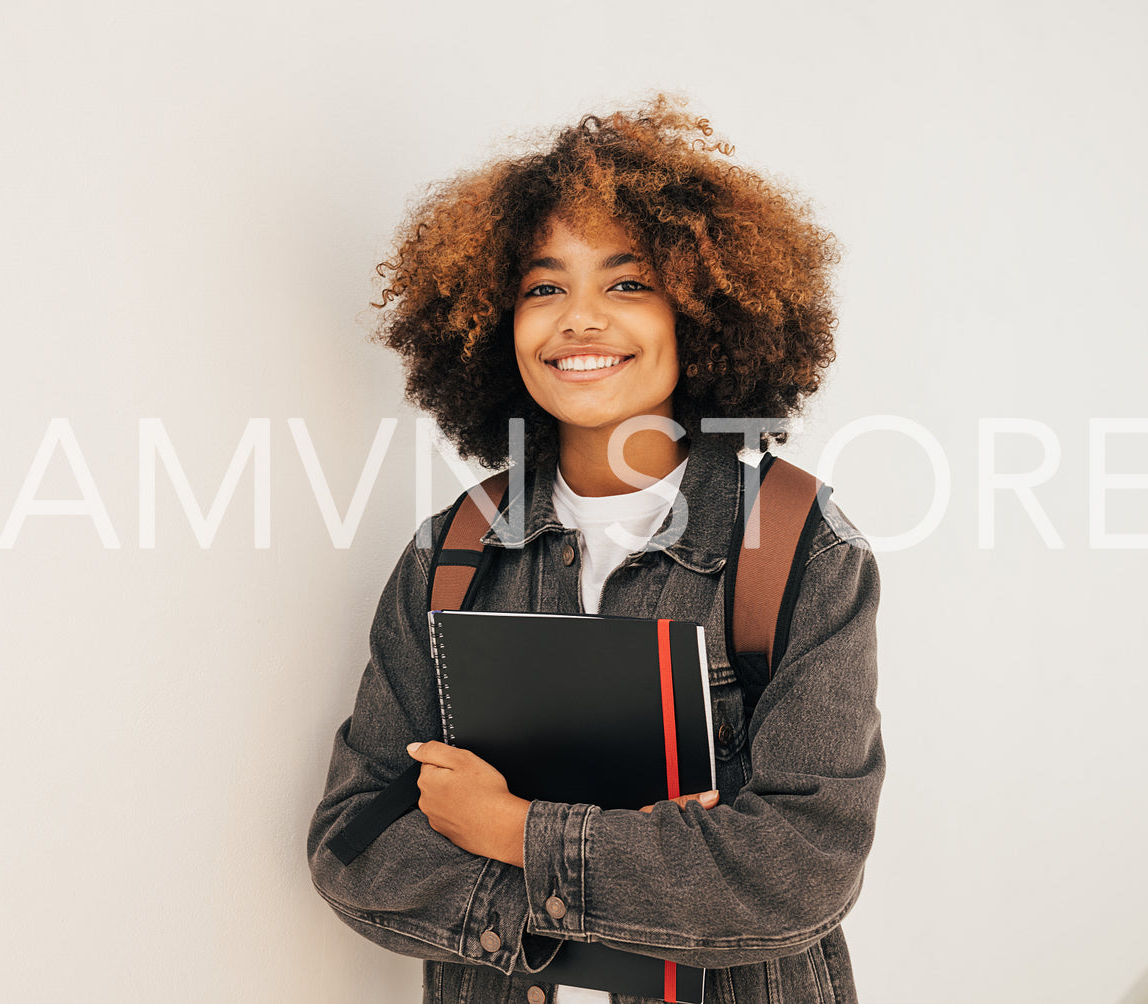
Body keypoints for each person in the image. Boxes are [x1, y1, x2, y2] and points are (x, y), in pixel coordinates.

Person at [308, 95, 884, 1004]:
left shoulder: (799, 553)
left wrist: (510, 830)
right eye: (544, 287)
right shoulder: (450, 553)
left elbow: (795, 871)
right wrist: (655, 862)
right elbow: (355, 842)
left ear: (699, 313)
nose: (579, 320)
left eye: (626, 283)